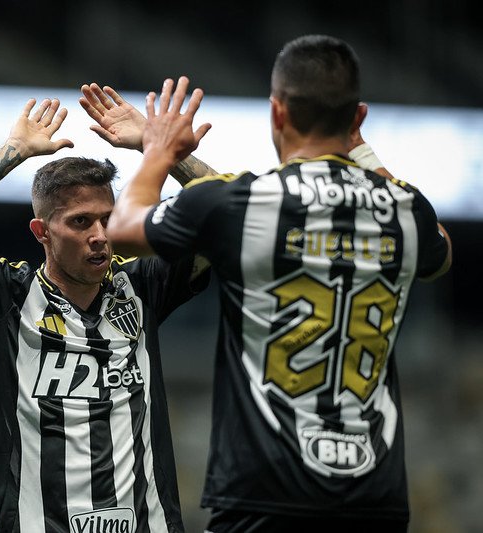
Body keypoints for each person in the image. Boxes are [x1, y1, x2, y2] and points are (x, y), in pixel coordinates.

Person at [105, 35, 452, 532]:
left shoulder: (241, 202)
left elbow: (124, 229)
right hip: (374, 499)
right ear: (357, 118)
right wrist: (364, 154)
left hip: (264, 496)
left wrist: (158, 151)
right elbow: (439, 249)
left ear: (278, 113)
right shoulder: (405, 209)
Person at [0, 96, 213, 532]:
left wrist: (159, 148)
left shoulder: (142, 286)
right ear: (42, 232)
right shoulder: (6, 295)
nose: (100, 236)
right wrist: (14, 149)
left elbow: (228, 217)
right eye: (80, 222)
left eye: (108, 220)